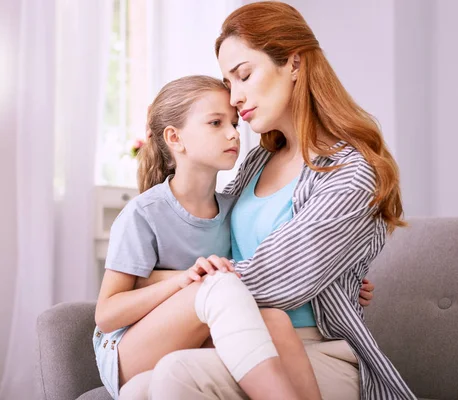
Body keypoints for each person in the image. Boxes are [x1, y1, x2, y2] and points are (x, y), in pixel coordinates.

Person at [137, 2, 415, 399]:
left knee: (178, 373)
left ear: (295, 63)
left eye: (244, 75)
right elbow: (206, 247)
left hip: (318, 350)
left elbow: (276, 280)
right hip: (241, 336)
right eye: (228, 83)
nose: (233, 98)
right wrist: (171, 276)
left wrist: (152, 279)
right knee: (139, 388)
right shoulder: (256, 162)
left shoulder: (352, 173)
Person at [94, 75, 324, 400]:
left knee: (273, 319)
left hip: (198, 336)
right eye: (215, 123)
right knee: (218, 284)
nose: (233, 133)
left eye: (233, 122)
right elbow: (106, 314)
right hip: (128, 350)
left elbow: (272, 265)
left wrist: (338, 280)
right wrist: (183, 282)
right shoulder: (144, 214)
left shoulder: (235, 210)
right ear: (175, 138)